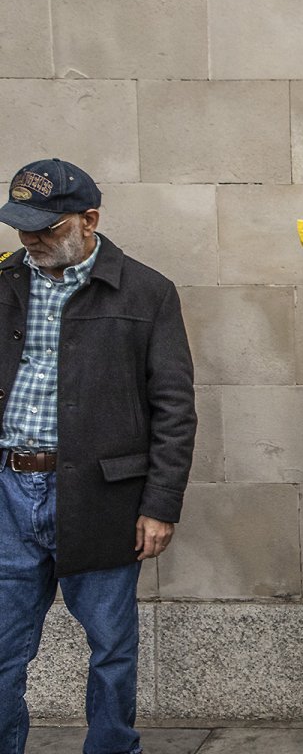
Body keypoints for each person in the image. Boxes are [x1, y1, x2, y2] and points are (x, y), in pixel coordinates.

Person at [0, 159, 197, 754]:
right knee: (3, 649)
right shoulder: (4, 280)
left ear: (90, 220)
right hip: (9, 491)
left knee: (112, 649)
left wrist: (160, 505)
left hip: (103, 497)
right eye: (21, 226)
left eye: (47, 228)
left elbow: (174, 408)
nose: (31, 239)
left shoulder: (147, 291)